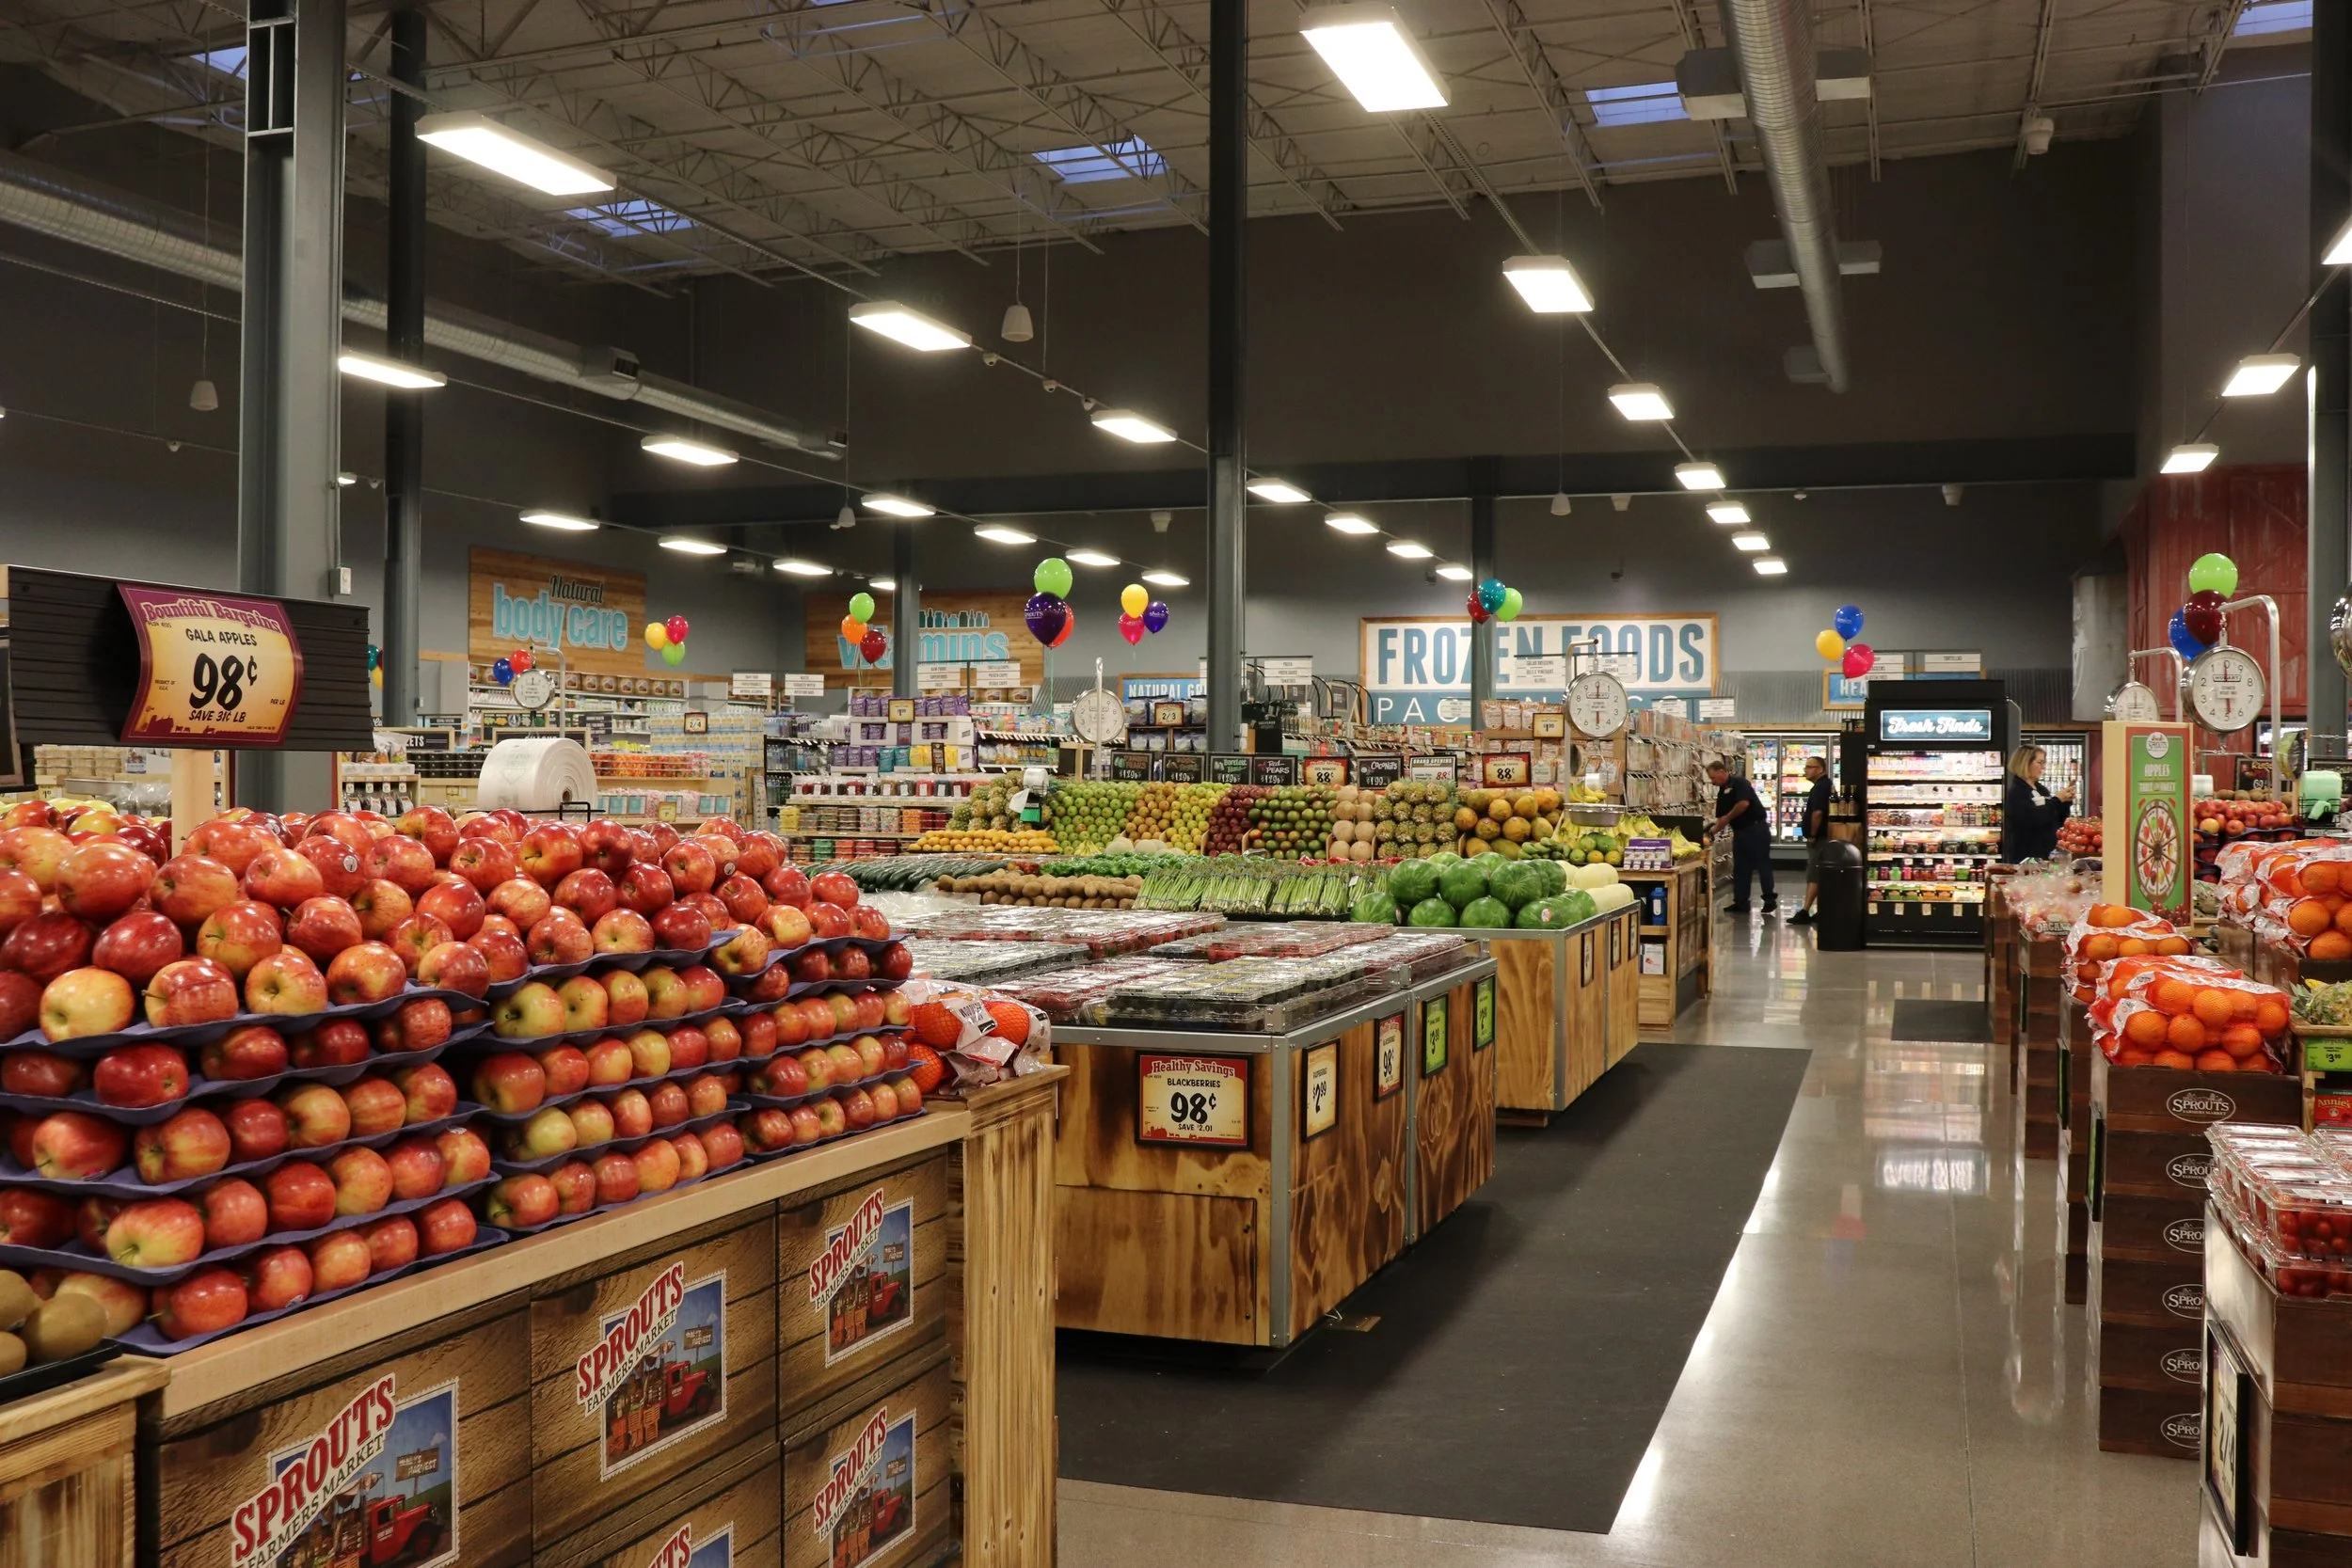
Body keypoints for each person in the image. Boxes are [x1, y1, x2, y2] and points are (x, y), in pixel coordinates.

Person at [1706, 757, 1776, 914]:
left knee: (1762, 865)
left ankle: (1769, 900)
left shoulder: (1740, 783)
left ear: (1722, 772)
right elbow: (1721, 819)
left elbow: (1743, 804)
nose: (1712, 781)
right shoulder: (1722, 791)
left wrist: (1727, 818)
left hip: (1756, 830)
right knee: (1741, 868)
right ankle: (1741, 902)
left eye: (1713, 777)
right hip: (1739, 832)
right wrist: (1710, 833)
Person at [2000, 744, 2073, 863]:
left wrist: (2065, 803)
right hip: (2026, 857)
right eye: (2040, 762)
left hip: (2046, 855)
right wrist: (2057, 800)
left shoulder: (2042, 789)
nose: (2043, 767)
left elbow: (2055, 820)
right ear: (2025, 763)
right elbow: (2034, 819)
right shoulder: (2017, 792)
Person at [1788, 755, 1833, 925]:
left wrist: (1813, 835)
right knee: (1819, 874)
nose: (1805, 770)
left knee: (1814, 874)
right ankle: (1823, 910)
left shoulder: (1821, 787)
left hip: (1820, 838)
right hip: (1822, 837)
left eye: (1809, 767)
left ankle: (1805, 911)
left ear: (1820, 769)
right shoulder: (1823, 786)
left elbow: (1818, 813)